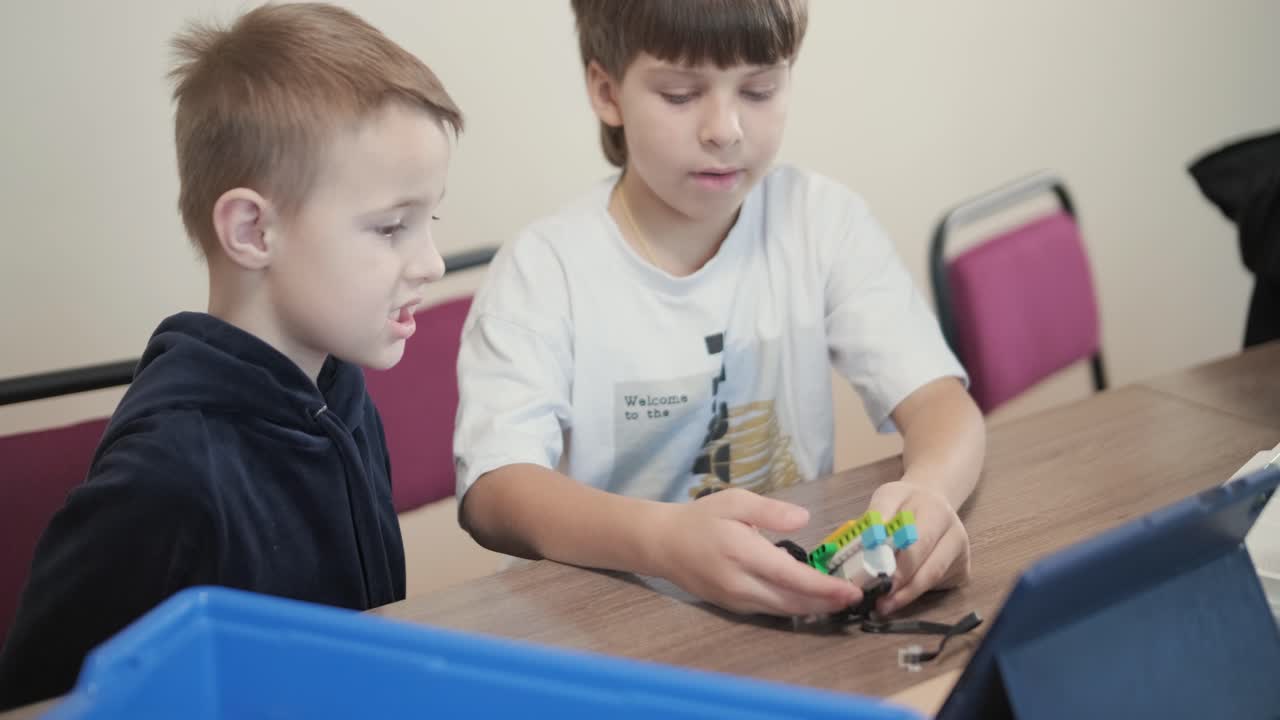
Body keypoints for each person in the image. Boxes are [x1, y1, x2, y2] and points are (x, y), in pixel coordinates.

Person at [454, 0, 985, 621]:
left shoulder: (819, 222)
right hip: (609, 625)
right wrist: (662, 541)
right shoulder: (544, 269)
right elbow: (495, 492)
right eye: (681, 94)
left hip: (784, 615)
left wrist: (927, 493)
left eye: (759, 90)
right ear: (607, 92)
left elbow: (942, 405)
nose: (725, 129)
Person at [0, 3, 462, 708]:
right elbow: (41, 699)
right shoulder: (167, 479)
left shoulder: (337, 392)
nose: (430, 262)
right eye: (392, 227)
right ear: (251, 229)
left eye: (428, 221)